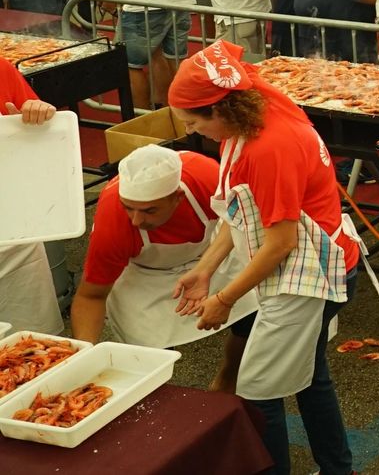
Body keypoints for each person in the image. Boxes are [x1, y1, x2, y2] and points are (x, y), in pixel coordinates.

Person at [169, 40, 361, 475]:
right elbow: (241, 211)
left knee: (256, 391)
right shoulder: (253, 105)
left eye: (194, 123)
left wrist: (225, 298)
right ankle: (337, 468)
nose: (195, 133)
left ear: (219, 110)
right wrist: (205, 269)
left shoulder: (267, 148)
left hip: (311, 274)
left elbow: (280, 243)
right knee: (312, 379)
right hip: (324, 258)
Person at [70, 145, 256, 389]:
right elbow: (91, 295)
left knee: (253, 312)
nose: (136, 220)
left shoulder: (207, 176)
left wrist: (208, 272)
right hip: (145, 275)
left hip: (210, 256)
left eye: (149, 210)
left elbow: (239, 220)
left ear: (177, 197)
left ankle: (229, 377)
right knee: (144, 354)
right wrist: (85, 358)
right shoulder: (113, 223)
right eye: (129, 207)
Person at [0, 64, 66, 333]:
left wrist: (39, 118)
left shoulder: (1, 68)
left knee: (34, 346)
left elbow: (40, 138)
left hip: (14, 235)